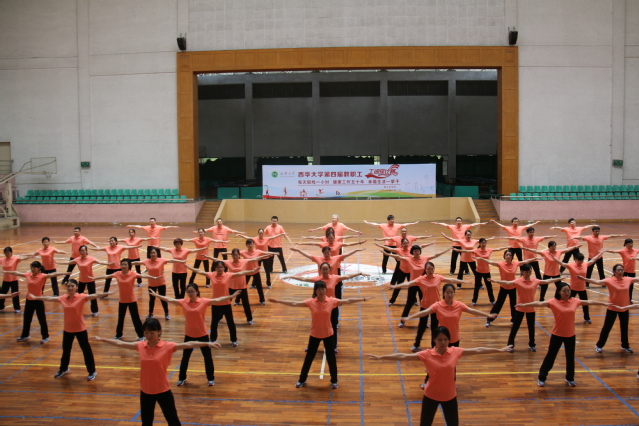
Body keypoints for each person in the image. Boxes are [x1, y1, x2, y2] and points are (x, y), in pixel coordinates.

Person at [367, 326, 510, 425]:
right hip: (431, 396)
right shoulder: (426, 354)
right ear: (434, 340)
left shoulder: (455, 352)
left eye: (445, 339)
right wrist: (381, 357)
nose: (443, 342)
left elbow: (478, 350)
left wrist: (498, 350)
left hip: (450, 396)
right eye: (440, 339)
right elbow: (403, 356)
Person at [93, 318, 222, 426]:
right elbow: (120, 343)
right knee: (146, 422)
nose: (149, 336)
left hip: (163, 390)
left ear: (159, 332)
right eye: (146, 333)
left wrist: (207, 343)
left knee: (173, 421)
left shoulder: (168, 346)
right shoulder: (140, 345)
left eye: (152, 332)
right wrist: (103, 339)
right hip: (145, 391)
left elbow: (188, 344)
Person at [268, 280, 368, 389]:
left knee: (331, 359)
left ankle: (334, 380)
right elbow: (294, 303)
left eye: (323, 289)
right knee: (309, 359)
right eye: (319, 289)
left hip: (328, 334)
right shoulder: (311, 302)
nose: (321, 291)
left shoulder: (332, 301)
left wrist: (362, 299)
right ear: (315, 291)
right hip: (315, 334)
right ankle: (302, 380)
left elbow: (347, 301)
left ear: (326, 290)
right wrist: (279, 301)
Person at [516, 282, 609, 387]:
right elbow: (538, 303)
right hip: (557, 334)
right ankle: (542, 377)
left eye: (568, 290)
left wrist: (602, 303)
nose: (567, 293)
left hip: (571, 335)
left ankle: (570, 378)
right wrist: (524, 305)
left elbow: (589, 302)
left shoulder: (574, 301)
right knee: (551, 357)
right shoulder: (553, 302)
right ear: (559, 292)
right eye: (564, 291)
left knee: (570, 358)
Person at [149, 284, 236, 386]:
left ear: (197, 292)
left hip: (202, 334)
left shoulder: (203, 301)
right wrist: (156, 295)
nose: (190, 293)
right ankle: (182, 378)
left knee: (207, 357)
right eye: (188, 292)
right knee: (185, 357)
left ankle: (210, 378)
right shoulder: (184, 302)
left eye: (192, 291)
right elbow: (170, 299)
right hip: (189, 334)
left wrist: (231, 296)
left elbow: (217, 300)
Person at [28, 279, 108, 379]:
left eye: (72, 286)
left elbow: (95, 295)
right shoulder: (63, 298)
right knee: (66, 351)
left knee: (86, 350)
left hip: (80, 329)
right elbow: (49, 298)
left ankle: (92, 371)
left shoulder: (81, 297)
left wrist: (107, 293)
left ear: (76, 287)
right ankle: (63, 369)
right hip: (67, 330)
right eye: (68, 286)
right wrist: (36, 297)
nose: (70, 288)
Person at [289, 263, 369, 352]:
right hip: (319, 307)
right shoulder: (317, 279)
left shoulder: (334, 278)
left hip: (332, 306)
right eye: (323, 269)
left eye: (326, 269)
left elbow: (347, 276)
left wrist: (359, 273)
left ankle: (333, 347)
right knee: (316, 326)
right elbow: (304, 279)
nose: (325, 271)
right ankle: (311, 346)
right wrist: (292, 276)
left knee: (333, 326)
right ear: (320, 270)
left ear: (329, 270)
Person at [389, 262, 466, 350]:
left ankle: (434, 347)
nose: (430, 271)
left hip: (437, 308)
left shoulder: (438, 277)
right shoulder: (421, 279)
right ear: (425, 270)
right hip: (425, 306)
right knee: (421, 327)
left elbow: (451, 280)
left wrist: (462, 281)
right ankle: (416, 344)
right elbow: (408, 284)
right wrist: (396, 286)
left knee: (435, 328)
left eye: (432, 269)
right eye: (428, 269)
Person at [489, 264, 562, 352]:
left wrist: (559, 278)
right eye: (527, 272)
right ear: (522, 272)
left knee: (531, 328)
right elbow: (507, 283)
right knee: (515, 327)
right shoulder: (518, 281)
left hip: (531, 308)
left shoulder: (534, 280)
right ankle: (510, 345)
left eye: (530, 272)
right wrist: (495, 281)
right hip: (520, 308)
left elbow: (547, 281)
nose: (528, 273)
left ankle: (532, 344)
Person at [187, 260, 257, 346]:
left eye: (221, 267)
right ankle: (213, 339)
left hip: (226, 303)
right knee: (214, 322)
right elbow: (199, 271)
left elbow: (241, 273)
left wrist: (252, 271)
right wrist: (188, 266)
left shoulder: (228, 275)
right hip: (215, 303)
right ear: (215, 268)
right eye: (218, 267)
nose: (219, 269)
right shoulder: (212, 275)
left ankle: (234, 340)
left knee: (230, 322)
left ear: (224, 268)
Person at [91, 259, 159, 340]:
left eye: (125, 264)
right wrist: (95, 278)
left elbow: (143, 276)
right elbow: (107, 276)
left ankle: (141, 335)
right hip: (122, 300)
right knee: (121, 318)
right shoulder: (117, 274)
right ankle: (119, 334)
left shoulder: (133, 274)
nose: (123, 266)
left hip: (131, 300)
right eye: (122, 264)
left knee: (135, 318)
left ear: (129, 266)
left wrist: (153, 277)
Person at [580, 264, 639, 354]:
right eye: (618, 270)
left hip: (624, 308)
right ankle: (599, 345)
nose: (620, 272)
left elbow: (637, 279)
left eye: (622, 270)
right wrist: (584, 279)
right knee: (607, 327)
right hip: (612, 308)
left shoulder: (628, 279)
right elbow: (596, 281)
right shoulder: (609, 280)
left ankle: (625, 345)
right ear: (614, 272)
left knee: (624, 328)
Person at [386, 245, 451, 326]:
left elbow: (435, 255)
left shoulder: (425, 259)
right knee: (409, 303)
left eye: (418, 251)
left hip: (423, 285)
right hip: (413, 284)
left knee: (424, 304)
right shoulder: (409, 259)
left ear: (420, 251)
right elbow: (398, 257)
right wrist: (387, 254)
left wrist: (446, 250)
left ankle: (424, 323)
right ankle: (402, 321)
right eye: (415, 251)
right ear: (412, 252)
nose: (416, 252)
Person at [478, 249, 540, 327]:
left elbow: (525, 261)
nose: (508, 256)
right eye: (507, 255)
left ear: (512, 257)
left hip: (513, 288)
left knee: (513, 305)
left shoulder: (516, 264)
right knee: (498, 305)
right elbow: (490, 262)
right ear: (504, 256)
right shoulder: (500, 264)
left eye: (510, 255)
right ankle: (489, 320)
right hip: (503, 288)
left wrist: (535, 258)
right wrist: (480, 258)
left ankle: (514, 321)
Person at [14, 261, 70, 343]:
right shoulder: (28, 275)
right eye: (31, 267)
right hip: (29, 300)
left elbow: (52, 274)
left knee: (41, 319)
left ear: (39, 268)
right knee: (26, 319)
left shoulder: (42, 276)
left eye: (34, 267)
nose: (32, 269)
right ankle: (25, 335)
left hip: (38, 300)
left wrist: (63, 273)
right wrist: (6, 272)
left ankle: (45, 336)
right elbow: (17, 273)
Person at [291, 245, 365, 300]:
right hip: (321, 282)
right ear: (323, 253)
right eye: (325, 253)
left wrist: (355, 250)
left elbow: (346, 255)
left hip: (332, 281)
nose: (327, 254)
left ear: (330, 252)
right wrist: (299, 250)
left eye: (328, 252)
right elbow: (308, 255)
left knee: (333, 297)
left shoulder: (335, 258)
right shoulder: (318, 259)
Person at [375, 239, 433, 306]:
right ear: (401, 244)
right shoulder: (399, 250)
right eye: (404, 243)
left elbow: (421, 247)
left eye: (407, 243)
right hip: (402, 271)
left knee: (412, 287)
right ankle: (392, 301)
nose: (406, 244)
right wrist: (380, 246)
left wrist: (430, 243)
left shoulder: (412, 249)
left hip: (410, 272)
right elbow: (389, 249)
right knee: (398, 286)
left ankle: (414, 301)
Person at [59, 245, 113, 316]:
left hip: (90, 280)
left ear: (86, 251)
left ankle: (94, 311)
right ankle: (77, 310)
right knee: (78, 297)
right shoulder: (77, 259)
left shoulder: (91, 258)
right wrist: (58, 263)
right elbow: (69, 262)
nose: (82, 252)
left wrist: (109, 264)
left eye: (83, 250)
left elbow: (100, 262)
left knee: (92, 296)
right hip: (82, 280)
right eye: (81, 250)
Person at [218, 248, 270, 323]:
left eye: (236, 255)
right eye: (234, 255)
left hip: (242, 287)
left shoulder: (244, 261)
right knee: (226, 303)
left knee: (246, 304)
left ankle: (249, 319)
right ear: (232, 255)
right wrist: (208, 257)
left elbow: (255, 259)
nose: (235, 256)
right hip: (231, 286)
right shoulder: (228, 262)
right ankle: (219, 317)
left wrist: (266, 255)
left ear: (239, 255)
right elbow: (218, 261)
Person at [452, 239, 509, 306]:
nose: (484, 244)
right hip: (478, 271)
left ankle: (492, 300)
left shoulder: (489, 250)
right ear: (479, 244)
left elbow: (498, 249)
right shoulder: (476, 251)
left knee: (489, 287)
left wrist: (507, 247)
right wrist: (457, 250)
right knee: (476, 287)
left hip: (487, 271)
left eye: (485, 243)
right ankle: (474, 301)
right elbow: (467, 251)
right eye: (482, 243)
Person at [553, 251, 604, 323]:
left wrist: (599, 254)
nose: (581, 262)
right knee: (568, 303)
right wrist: (555, 259)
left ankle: (587, 318)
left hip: (582, 288)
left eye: (582, 260)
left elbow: (593, 260)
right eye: (579, 260)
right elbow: (562, 264)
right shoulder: (571, 265)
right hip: (572, 289)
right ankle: (565, 316)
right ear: (575, 259)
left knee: (585, 304)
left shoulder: (585, 264)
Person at [133, 248, 184, 320]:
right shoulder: (146, 261)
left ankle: (166, 313)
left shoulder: (161, 260)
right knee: (152, 299)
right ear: (149, 254)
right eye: (151, 253)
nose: (153, 254)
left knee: (163, 299)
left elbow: (171, 260)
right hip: (151, 284)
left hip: (161, 283)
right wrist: (127, 263)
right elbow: (137, 262)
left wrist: (181, 261)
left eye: (154, 253)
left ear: (157, 254)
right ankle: (150, 313)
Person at [239, 238, 277, 305]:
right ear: (246, 245)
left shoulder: (257, 251)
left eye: (251, 244)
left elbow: (265, 252)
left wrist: (274, 253)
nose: (250, 245)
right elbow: (234, 253)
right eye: (248, 244)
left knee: (259, 287)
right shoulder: (243, 252)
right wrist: (225, 253)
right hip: (247, 272)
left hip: (256, 272)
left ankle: (262, 300)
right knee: (242, 287)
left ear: (253, 244)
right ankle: (237, 300)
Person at [0, 246, 32, 312]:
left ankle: (17, 308)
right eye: (5, 253)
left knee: (15, 294)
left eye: (8, 253)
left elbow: (23, 258)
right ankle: (1, 306)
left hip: (14, 280)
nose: (7, 254)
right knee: (3, 293)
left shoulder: (15, 259)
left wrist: (30, 256)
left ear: (11, 253)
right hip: (5, 280)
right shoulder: (2, 260)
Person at [297, 232, 367, 256]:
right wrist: (301, 243)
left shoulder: (338, 244)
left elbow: (348, 244)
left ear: (334, 238)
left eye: (332, 238)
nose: (330, 239)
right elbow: (313, 243)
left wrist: (359, 242)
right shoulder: (323, 244)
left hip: (335, 261)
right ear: (327, 238)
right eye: (329, 238)